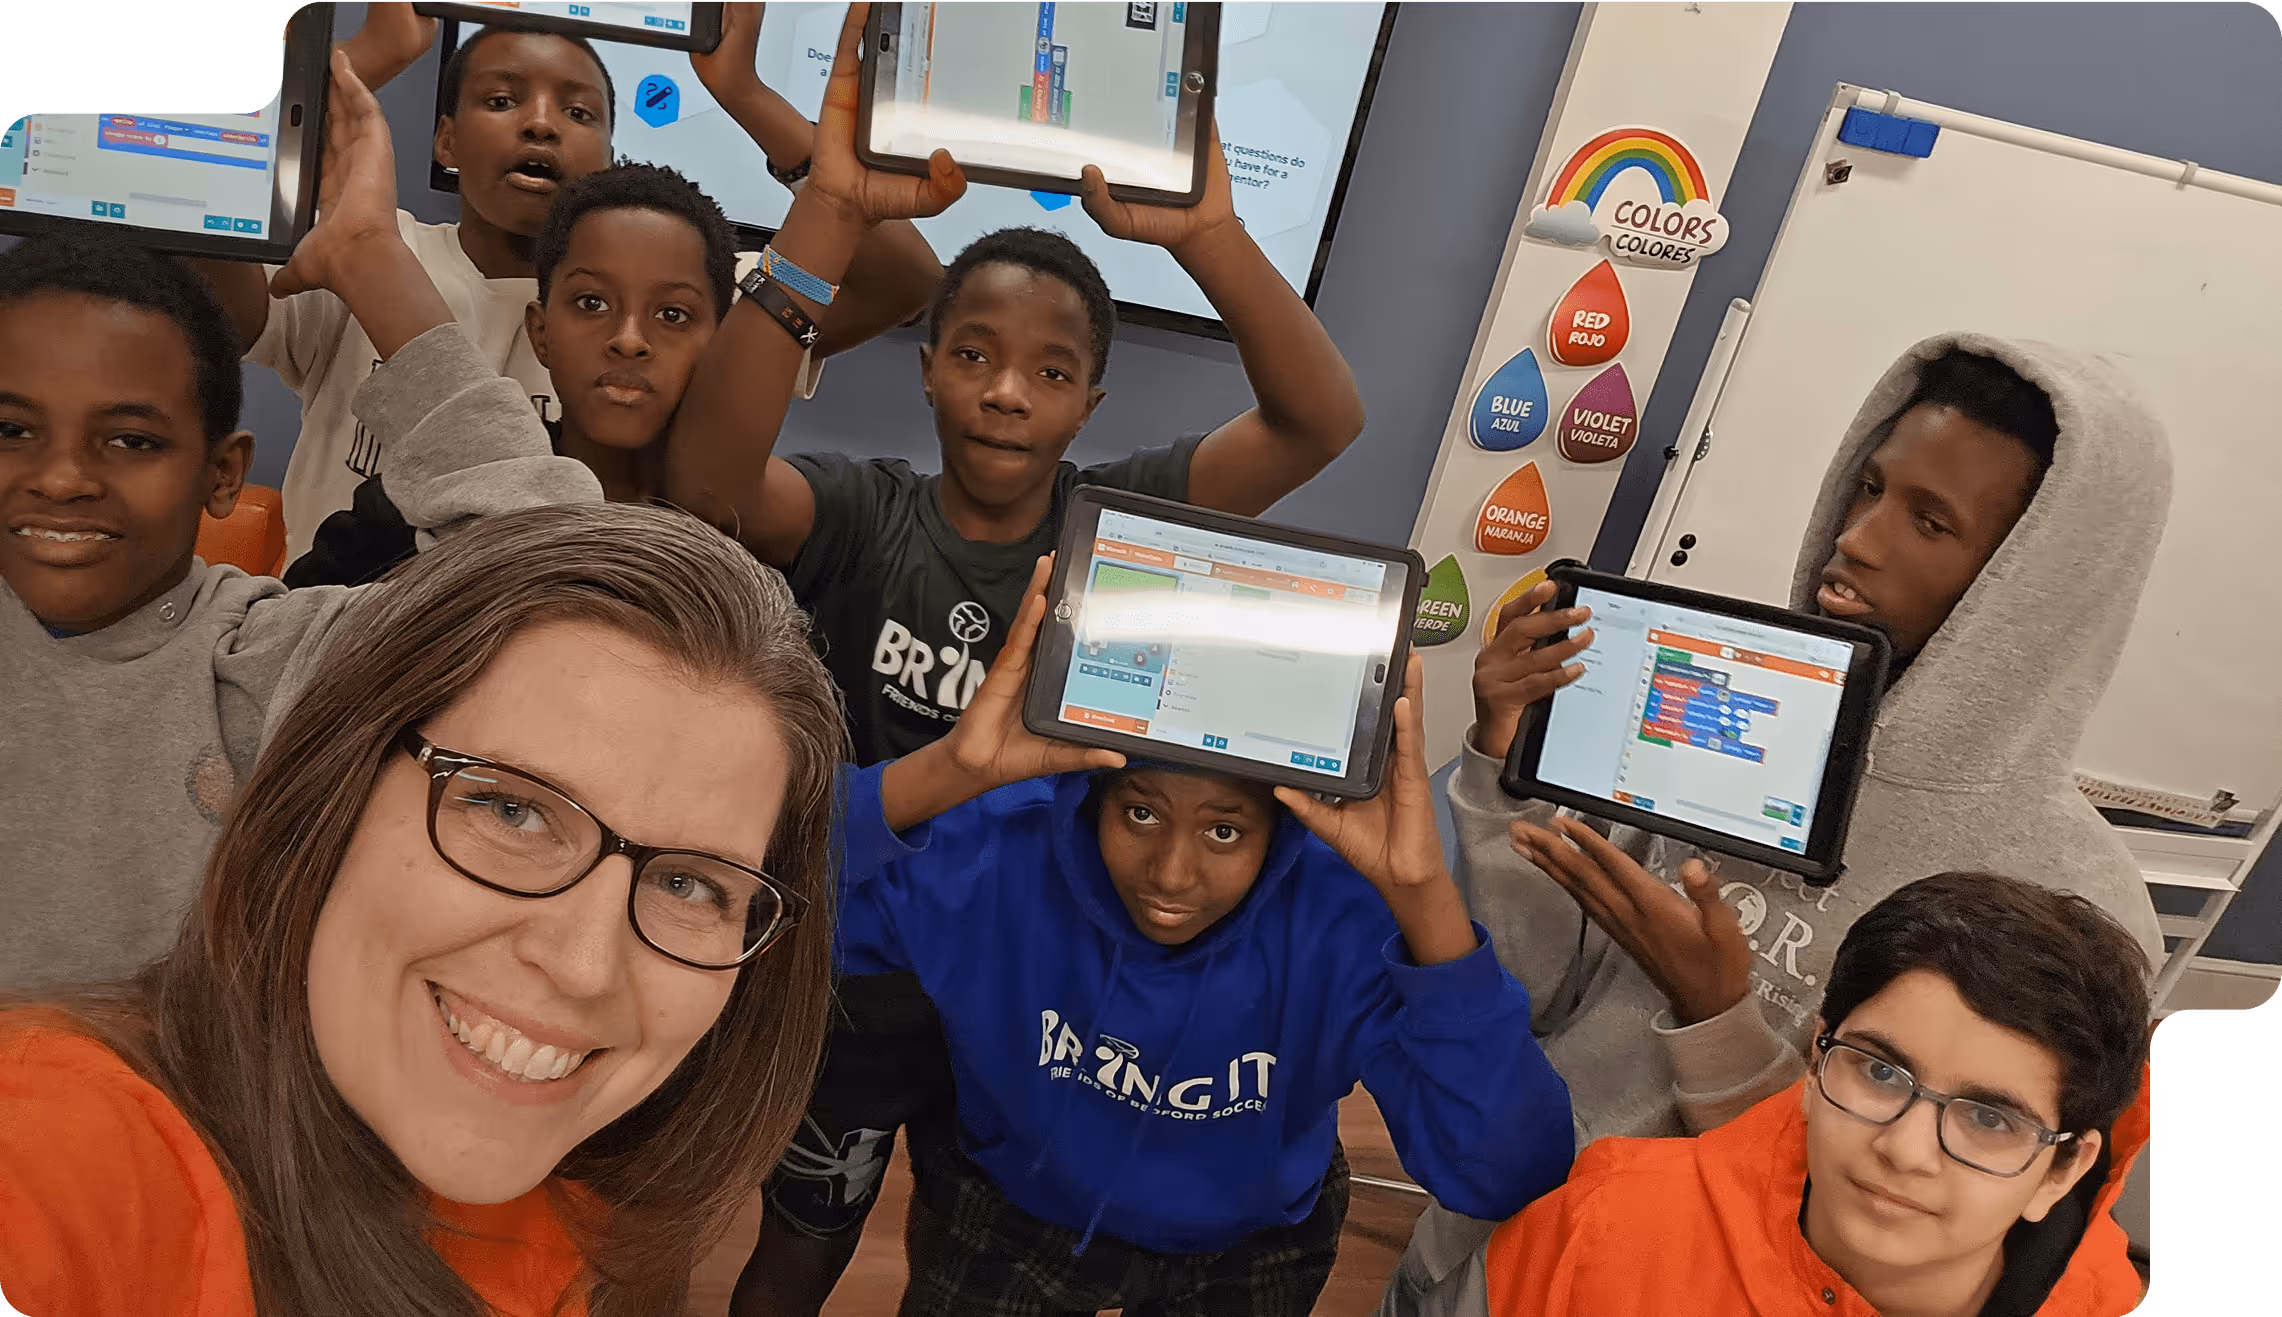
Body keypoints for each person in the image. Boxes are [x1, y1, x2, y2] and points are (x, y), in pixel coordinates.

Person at [671, 9, 1371, 1310]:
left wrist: (1207, 233)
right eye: (978, 356)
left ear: (1088, 407)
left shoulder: (1124, 527)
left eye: (1049, 372)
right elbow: (708, 483)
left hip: (1024, 1019)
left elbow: (1320, 417)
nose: (1006, 391)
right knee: (797, 1245)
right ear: (928, 365)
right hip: (854, 998)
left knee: (966, 1263)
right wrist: (827, 210)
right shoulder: (865, 509)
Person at [1383, 337, 2173, 1314]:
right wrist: (1505, 774)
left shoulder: (2073, 903)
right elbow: (1535, 996)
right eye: (1868, 488)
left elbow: (1925, 1218)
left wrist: (1715, 1012)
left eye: (1928, 522)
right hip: (1489, 1247)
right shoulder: (1737, 715)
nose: (1859, 538)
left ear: (2034, 597)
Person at [0, 497, 850, 1316]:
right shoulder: (59, 1155)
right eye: (512, 809)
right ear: (331, 790)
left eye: (687, 883)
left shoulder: (584, 1217)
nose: (585, 963)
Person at [828, 556, 1571, 1316]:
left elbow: (1508, 1172)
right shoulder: (997, 858)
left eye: (1224, 830)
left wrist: (1423, 900)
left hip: (1249, 1236)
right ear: (1094, 801)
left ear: (1278, 827)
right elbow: (762, 894)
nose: (1173, 875)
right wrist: (948, 769)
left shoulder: (1338, 916)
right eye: (1140, 814)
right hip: (1019, 1204)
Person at [0, 53, 601, 991]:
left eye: (130, 440)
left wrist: (367, 255)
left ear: (222, 475)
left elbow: (567, 587)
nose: (63, 477)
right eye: (12, 429)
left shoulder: (260, 661)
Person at [198, 2, 940, 559]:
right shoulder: (365, 251)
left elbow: (900, 277)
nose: (541, 124)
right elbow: (207, 258)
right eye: (500, 99)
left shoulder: (684, 297)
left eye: (579, 111)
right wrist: (372, 55)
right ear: (446, 138)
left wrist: (743, 92)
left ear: (614, 152)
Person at [1419, 872, 2154, 1317]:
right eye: (1877, 1070)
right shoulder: (1602, 1221)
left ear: (2064, 1167)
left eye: (1988, 1117)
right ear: (1814, 1064)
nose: (1902, 1148)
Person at [282, 160, 743, 586]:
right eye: (592, 303)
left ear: (722, 347)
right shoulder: (424, 501)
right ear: (541, 334)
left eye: (673, 315)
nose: (628, 339)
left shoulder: (754, 520)